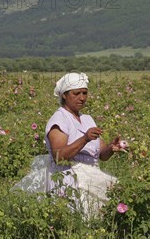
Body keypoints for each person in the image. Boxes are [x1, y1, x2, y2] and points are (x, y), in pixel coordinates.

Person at [44, 72, 124, 216]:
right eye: (76, 93)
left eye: (84, 93)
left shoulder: (87, 119)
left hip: (91, 175)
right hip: (69, 180)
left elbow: (101, 155)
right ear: (64, 95)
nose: (82, 98)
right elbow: (58, 156)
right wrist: (84, 139)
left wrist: (111, 148)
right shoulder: (59, 120)